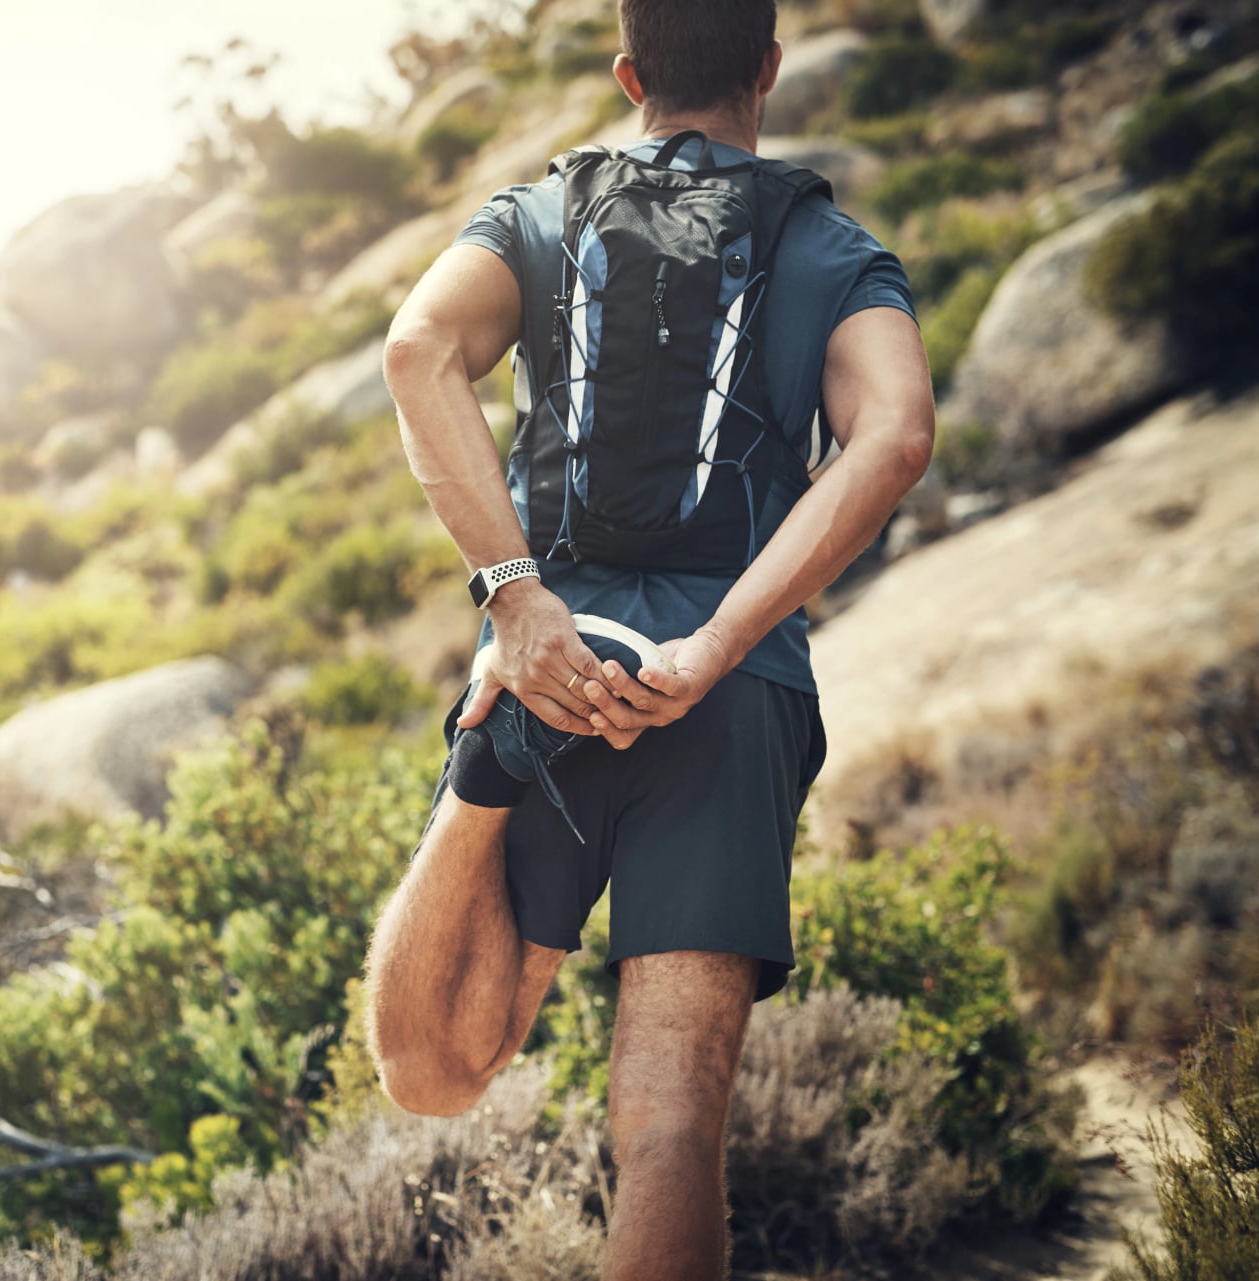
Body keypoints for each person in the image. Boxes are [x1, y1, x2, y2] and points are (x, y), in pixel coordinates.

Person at [360, 2, 936, 1276]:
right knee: (671, 1132)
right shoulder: (832, 249)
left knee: (436, 1066)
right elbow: (893, 435)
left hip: (550, 661)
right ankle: (501, 758)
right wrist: (723, 641)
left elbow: (416, 350)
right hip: (718, 700)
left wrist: (515, 599)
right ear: (768, 73)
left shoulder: (537, 217)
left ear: (629, 77)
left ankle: (484, 775)